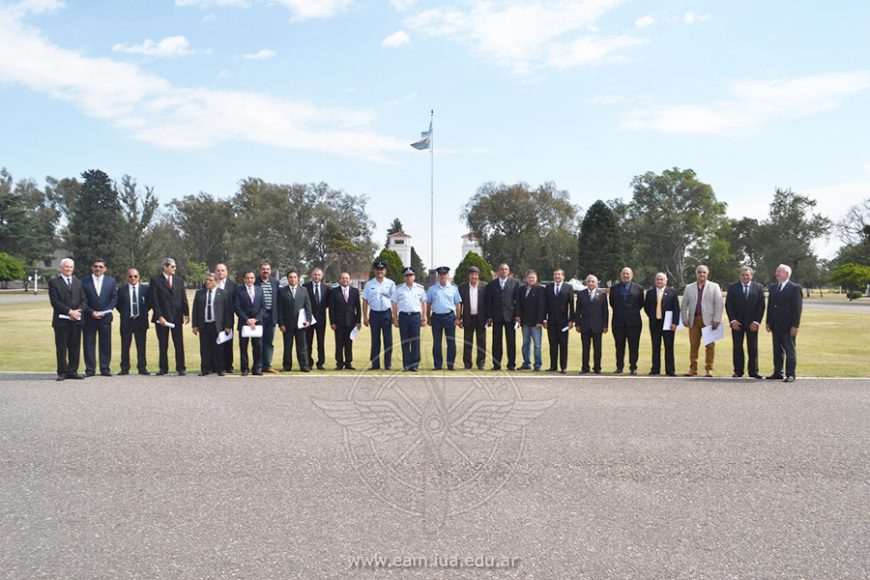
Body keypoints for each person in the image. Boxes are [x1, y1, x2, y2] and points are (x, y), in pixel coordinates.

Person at [680, 265, 723, 377]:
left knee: (710, 346)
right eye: (699, 272)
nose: (702, 274)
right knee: (694, 345)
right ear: (696, 274)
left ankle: (709, 369)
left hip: (709, 321)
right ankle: (693, 369)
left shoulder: (714, 286)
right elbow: (684, 305)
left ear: (707, 274)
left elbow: (719, 304)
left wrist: (717, 319)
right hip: (694, 320)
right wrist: (684, 318)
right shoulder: (689, 287)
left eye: (704, 272)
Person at [149, 258, 189, 376]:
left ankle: (181, 367)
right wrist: (159, 316)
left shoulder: (178, 280)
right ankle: (163, 368)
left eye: (175, 266)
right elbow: (154, 301)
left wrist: (186, 313)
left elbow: (183, 297)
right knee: (163, 344)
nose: (175, 268)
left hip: (176, 316)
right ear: (165, 267)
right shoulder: (156, 280)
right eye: (172, 266)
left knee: (179, 343)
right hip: (162, 318)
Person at [48, 258, 86, 381]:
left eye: (70, 267)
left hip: (76, 320)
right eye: (66, 266)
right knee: (62, 347)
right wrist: (70, 312)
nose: (68, 269)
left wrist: (78, 312)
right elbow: (55, 302)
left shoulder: (78, 282)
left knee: (75, 347)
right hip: (62, 321)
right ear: (61, 268)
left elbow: (84, 300)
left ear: (73, 268)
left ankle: (73, 371)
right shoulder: (54, 282)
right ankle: (62, 372)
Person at [725, 266, 766, 379]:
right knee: (737, 347)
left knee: (753, 348)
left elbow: (761, 307)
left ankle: (753, 371)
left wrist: (757, 322)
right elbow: (729, 305)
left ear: (751, 276)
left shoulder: (758, 288)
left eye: (747, 275)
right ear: (740, 276)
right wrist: (732, 321)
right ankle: (738, 371)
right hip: (737, 324)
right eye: (743, 275)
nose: (745, 277)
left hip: (752, 324)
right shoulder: (733, 287)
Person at [766, 264, 802, 383]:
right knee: (777, 350)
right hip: (776, 325)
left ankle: (790, 374)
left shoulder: (794, 288)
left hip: (788, 326)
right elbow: (770, 306)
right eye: (777, 271)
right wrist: (768, 322)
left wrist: (795, 325)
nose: (777, 274)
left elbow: (797, 308)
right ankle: (777, 372)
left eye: (779, 272)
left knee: (789, 350)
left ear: (786, 274)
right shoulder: (774, 287)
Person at [81, 258, 118, 377]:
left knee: (105, 344)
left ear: (105, 269)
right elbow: (82, 300)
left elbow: (114, 298)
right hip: (89, 318)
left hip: (105, 318)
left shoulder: (111, 281)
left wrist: (105, 311)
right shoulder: (84, 281)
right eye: (96, 266)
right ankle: (90, 369)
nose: (98, 268)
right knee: (89, 344)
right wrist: (91, 312)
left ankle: (105, 368)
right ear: (92, 268)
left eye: (100, 267)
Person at [191, 273, 232, 376]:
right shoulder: (200, 293)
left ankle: (220, 368)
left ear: (216, 282)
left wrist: (227, 325)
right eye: (206, 280)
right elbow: (195, 310)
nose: (207, 282)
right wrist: (194, 325)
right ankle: (205, 368)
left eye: (210, 280)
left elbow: (227, 311)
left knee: (218, 348)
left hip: (217, 325)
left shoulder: (223, 294)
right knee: (205, 348)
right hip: (204, 324)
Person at [643, 272, 680, 376]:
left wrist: (675, 322)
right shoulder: (650, 293)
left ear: (666, 281)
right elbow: (646, 307)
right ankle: (655, 369)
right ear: (655, 281)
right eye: (658, 279)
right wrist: (652, 316)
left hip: (668, 324)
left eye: (661, 279)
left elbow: (676, 308)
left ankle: (670, 370)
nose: (659, 281)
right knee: (655, 346)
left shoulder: (672, 292)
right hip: (655, 323)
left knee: (669, 347)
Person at [362, 260, 396, 370]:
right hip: (374, 314)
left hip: (386, 313)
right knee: (375, 340)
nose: (379, 271)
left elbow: (395, 301)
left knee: (388, 340)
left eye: (382, 269)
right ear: (374, 270)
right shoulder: (369, 284)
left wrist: (395, 316)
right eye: (377, 269)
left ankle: (388, 364)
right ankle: (375, 364)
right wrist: (365, 317)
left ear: (385, 271)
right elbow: (365, 301)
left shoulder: (391, 283)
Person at [609, 267, 644, 375]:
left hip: (634, 322)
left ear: (632, 275)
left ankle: (633, 367)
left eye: (628, 274)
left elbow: (640, 304)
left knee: (634, 346)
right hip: (618, 322)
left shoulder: (638, 288)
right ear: (621, 275)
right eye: (624, 274)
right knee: (619, 345)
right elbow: (612, 303)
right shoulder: (614, 289)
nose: (625, 276)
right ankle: (619, 367)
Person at [392, 266, 428, 371]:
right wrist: (395, 318)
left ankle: (415, 365)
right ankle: (406, 365)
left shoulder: (420, 289)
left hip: (415, 317)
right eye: (407, 276)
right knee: (405, 341)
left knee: (415, 341)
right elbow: (394, 303)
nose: (409, 277)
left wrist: (424, 317)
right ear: (404, 277)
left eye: (411, 275)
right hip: (403, 317)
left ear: (414, 277)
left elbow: (424, 303)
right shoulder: (399, 289)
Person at [485, 263, 520, 371]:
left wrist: (518, 316)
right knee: (496, 342)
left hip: (510, 316)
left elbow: (518, 301)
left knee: (511, 342)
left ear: (508, 271)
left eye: (506, 269)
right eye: (501, 269)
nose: (503, 271)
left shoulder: (515, 283)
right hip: (497, 317)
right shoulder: (492, 284)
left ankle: (511, 364)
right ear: (498, 271)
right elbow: (489, 302)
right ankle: (496, 364)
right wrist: (489, 316)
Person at [116, 268, 150, 376]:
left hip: (140, 321)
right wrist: (126, 312)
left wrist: (143, 312)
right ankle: (124, 368)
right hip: (127, 321)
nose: (133, 278)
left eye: (135, 276)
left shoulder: (145, 289)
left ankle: (142, 367)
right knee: (125, 346)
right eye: (130, 276)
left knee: (141, 346)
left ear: (139, 277)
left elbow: (149, 303)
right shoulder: (121, 290)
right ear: (127, 277)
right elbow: (118, 305)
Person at [426, 266, 461, 370]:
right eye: (441, 274)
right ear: (438, 276)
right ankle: (437, 365)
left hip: (450, 317)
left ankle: (451, 365)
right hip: (436, 317)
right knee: (437, 342)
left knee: (451, 342)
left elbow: (458, 304)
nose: (443, 276)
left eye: (445, 274)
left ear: (448, 275)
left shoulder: (454, 289)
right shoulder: (432, 289)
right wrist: (428, 317)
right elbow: (428, 304)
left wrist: (458, 317)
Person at [278, 269, 312, 372]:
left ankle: (304, 366)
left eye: (294, 277)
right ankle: (287, 366)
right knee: (287, 347)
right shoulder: (282, 291)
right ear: (287, 279)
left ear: (298, 279)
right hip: (287, 324)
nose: (293, 279)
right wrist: (281, 323)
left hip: (300, 323)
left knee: (302, 346)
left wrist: (308, 320)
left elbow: (308, 306)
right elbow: (279, 309)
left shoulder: (304, 290)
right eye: (290, 277)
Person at [574, 274, 608, 374]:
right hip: (585, 326)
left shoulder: (602, 294)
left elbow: (605, 311)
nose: (591, 283)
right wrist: (577, 324)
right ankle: (585, 367)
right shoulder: (581, 294)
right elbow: (578, 311)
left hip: (598, 326)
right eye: (589, 281)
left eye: (593, 282)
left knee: (597, 349)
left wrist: (605, 325)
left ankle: (597, 367)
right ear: (586, 283)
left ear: (596, 283)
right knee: (585, 348)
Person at [234, 271, 265, 376]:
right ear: (244, 279)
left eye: (252, 278)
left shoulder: (259, 290)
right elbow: (237, 307)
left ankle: (257, 368)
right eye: (247, 278)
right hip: (244, 323)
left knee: (258, 347)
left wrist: (256, 319)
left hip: (257, 324)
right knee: (243, 347)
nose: (250, 280)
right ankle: (245, 368)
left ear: (254, 279)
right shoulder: (239, 291)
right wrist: (247, 319)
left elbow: (263, 307)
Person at [328, 272, 361, 370]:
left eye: (347, 278)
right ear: (339, 280)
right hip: (338, 323)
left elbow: (358, 308)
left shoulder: (355, 291)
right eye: (343, 278)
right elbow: (331, 309)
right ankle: (339, 363)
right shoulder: (334, 292)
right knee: (339, 344)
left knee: (349, 344)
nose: (345, 280)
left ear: (350, 280)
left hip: (351, 322)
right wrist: (332, 322)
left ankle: (348, 363)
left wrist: (358, 321)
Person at [544, 268, 574, 374]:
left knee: (563, 345)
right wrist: (544, 319)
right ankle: (553, 366)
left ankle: (563, 367)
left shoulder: (568, 287)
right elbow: (544, 305)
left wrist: (571, 320)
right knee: (552, 344)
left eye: (559, 274)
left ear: (563, 276)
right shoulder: (548, 288)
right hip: (551, 321)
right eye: (555, 274)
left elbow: (571, 305)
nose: (557, 276)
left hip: (564, 322)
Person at [458, 266, 488, 370]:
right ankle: (467, 364)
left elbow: (488, 304)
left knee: (482, 342)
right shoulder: (462, 287)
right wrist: (459, 317)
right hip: (468, 318)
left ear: (478, 276)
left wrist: (488, 318)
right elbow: (459, 304)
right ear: (469, 276)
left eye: (475, 274)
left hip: (481, 318)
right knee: (467, 342)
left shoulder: (484, 286)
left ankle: (481, 363)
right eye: (472, 274)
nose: (474, 276)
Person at [516, 269, 546, 371]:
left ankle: (537, 364)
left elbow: (542, 306)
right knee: (525, 344)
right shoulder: (521, 289)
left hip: (536, 322)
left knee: (537, 344)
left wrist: (540, 321)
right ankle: (526, 363)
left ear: (536, 278)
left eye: (533, 277)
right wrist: (518, 317)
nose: (531, 279)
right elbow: (518, 304)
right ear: (526, 279)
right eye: (529, 277)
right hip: (525, 321)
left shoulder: (540, 289)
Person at [255, 261, 281, 374]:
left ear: (270, 271)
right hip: (259, 316)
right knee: (258, 341)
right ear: (260, 270)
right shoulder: (255, 282)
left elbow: (278, 300)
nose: (265, 271)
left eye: (267, 269)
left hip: (272, 316)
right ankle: (258, 365)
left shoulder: (275, 282)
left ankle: (268, 365)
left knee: (269, 341)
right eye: (263, 269)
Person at [303, 268, 329, 370]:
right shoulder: (305, 287)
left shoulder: (326, 288)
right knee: (308, 342)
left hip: (321, 319)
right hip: (309, 319)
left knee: (320, 342)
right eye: (315, 275)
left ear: (321, 276)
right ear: (312, 275)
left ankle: (320, 363)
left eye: (319, 275)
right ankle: (308, 362)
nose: (317, 277)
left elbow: (327, 303)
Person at [214, 263, 237, 373]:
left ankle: (228, 366)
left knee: (228, 343)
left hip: (228, 318)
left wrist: (228, 323)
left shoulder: (232, 285)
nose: (220, 272)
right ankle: (217, 366)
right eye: (218, 270)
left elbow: (234, 304)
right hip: (214, 319)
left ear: (227, 272)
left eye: (222, 270)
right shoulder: (211, 283)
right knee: (216, 343)